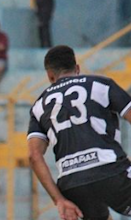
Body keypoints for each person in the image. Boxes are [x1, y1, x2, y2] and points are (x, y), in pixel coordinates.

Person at [27, 45, 131, 220]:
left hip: (72, 183)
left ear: (50, 76)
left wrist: (58, 199)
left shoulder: (39, 105)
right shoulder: (101, 85)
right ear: (77, 69)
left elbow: (34, 156)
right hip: (110, 170)